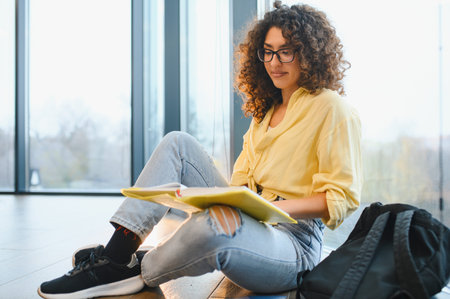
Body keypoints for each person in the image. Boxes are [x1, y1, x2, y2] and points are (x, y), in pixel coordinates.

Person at [38, 1, 362, 298]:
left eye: (286, 52)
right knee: (177, 142)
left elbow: (340, 200)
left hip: (294, 245)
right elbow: (242, 183)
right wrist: (233, 203)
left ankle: (137, 268)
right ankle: (118, 252)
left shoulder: (331, 109)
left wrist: (265, 208)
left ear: (308, 53)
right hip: (254, 218)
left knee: (215, 227)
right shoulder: (265, 114)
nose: (274, 63)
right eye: (267, 51)